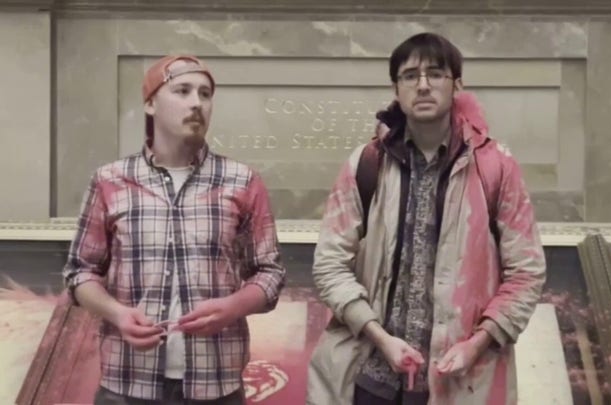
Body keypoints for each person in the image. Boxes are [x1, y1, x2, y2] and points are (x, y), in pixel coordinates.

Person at [307, 32, 546, 405]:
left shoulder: (496, 167)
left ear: (457, 85)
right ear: (396, 88)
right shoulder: (366, 164)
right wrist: (378, 336)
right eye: (409, 76)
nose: (422, 85)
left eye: (435, 74)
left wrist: (477, 343)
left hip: (459, 377)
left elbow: (526, 272)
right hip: (370, 375)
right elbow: (329, 264)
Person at [62, 55, 286, 404]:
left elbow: (269, 274)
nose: (196, 102)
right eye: (182, 91)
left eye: (205, 94)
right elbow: (80, 272)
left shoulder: (243, 181)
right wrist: (118, 314)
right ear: (150, 103)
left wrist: (233, 306)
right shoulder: (110, 180)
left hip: (216, 384)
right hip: (127, 382)